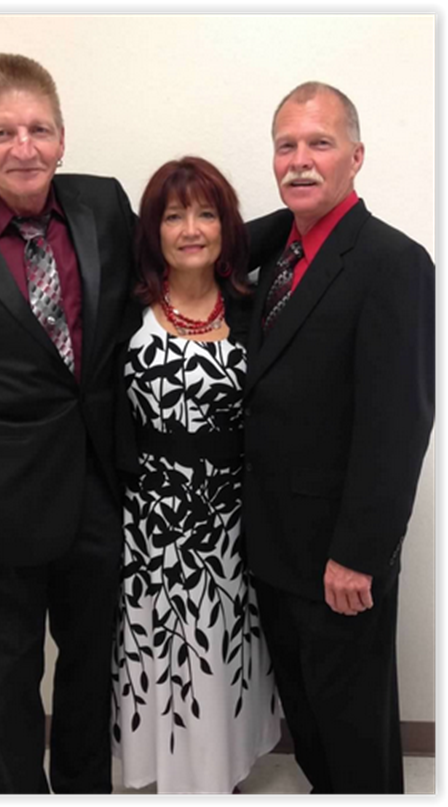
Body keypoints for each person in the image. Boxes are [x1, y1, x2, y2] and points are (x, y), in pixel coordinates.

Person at [0, 53, 134, 795]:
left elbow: (186, 254)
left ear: (62, 136)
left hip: (99, 489)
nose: (24, 147)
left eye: (39, 129)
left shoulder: (104, 203)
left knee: (91, 667)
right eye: (2, 132)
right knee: (9, 678)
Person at [243, 82, 435, 795]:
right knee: (310, 721)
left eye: (319, 143)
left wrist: (357, 554)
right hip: (272, 546)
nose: (299, 160)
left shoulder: (394, 263)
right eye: (285, 145)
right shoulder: (279, 256)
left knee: (354, 733)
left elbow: (399, 423)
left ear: (355, 156)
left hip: (337, 557)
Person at [111, 157, 281, 794]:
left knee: (222, 648)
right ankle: (171, 774)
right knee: (162, 649)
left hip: (233, 519)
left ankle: (219, 773)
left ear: (227, 227)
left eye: (207, 214)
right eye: (174, 215)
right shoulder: (123, 310)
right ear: (151, 229)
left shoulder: (254, 306)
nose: (190, 229)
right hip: (149, 522)